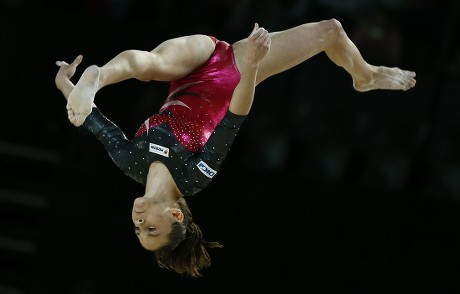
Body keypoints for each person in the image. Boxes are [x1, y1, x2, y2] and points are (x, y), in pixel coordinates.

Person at [54, 19, 416, 278]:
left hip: (189, 67)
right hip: (232, 76)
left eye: (138, 231)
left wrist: (65, 85)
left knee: (151, 65)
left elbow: (92, 120)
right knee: (330, 31)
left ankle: (97, 77)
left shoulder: (128, 161)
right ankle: (364, 77)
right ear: (175, 215)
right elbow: (234, 119)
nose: (138, 224)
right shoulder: (194, 177)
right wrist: (253, 67)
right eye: (150, 230)